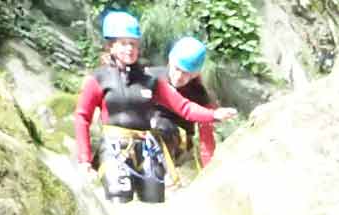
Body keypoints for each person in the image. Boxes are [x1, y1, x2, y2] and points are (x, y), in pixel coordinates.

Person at [73, 12, 236, 204]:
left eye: (133, 43)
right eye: (124, 43)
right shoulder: (99, 79)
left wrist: (214, 115)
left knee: (155, 201)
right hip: (116, 146)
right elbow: (82, 116)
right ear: (111, 45)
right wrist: (84, 159)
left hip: (150, 147)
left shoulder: (150, 81)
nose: (129, 48)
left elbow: (184, 108)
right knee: (119, 197)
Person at [149, 36, 220, 173]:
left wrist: (210, 170)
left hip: (177, 146)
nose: (179, 77)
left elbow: (206, 139)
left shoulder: (199, 94)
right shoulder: (150, 78)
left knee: (163, 127)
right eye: (177, 69)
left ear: (195, 74)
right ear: (170, 60)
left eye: (186, 73)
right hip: (145, 138)